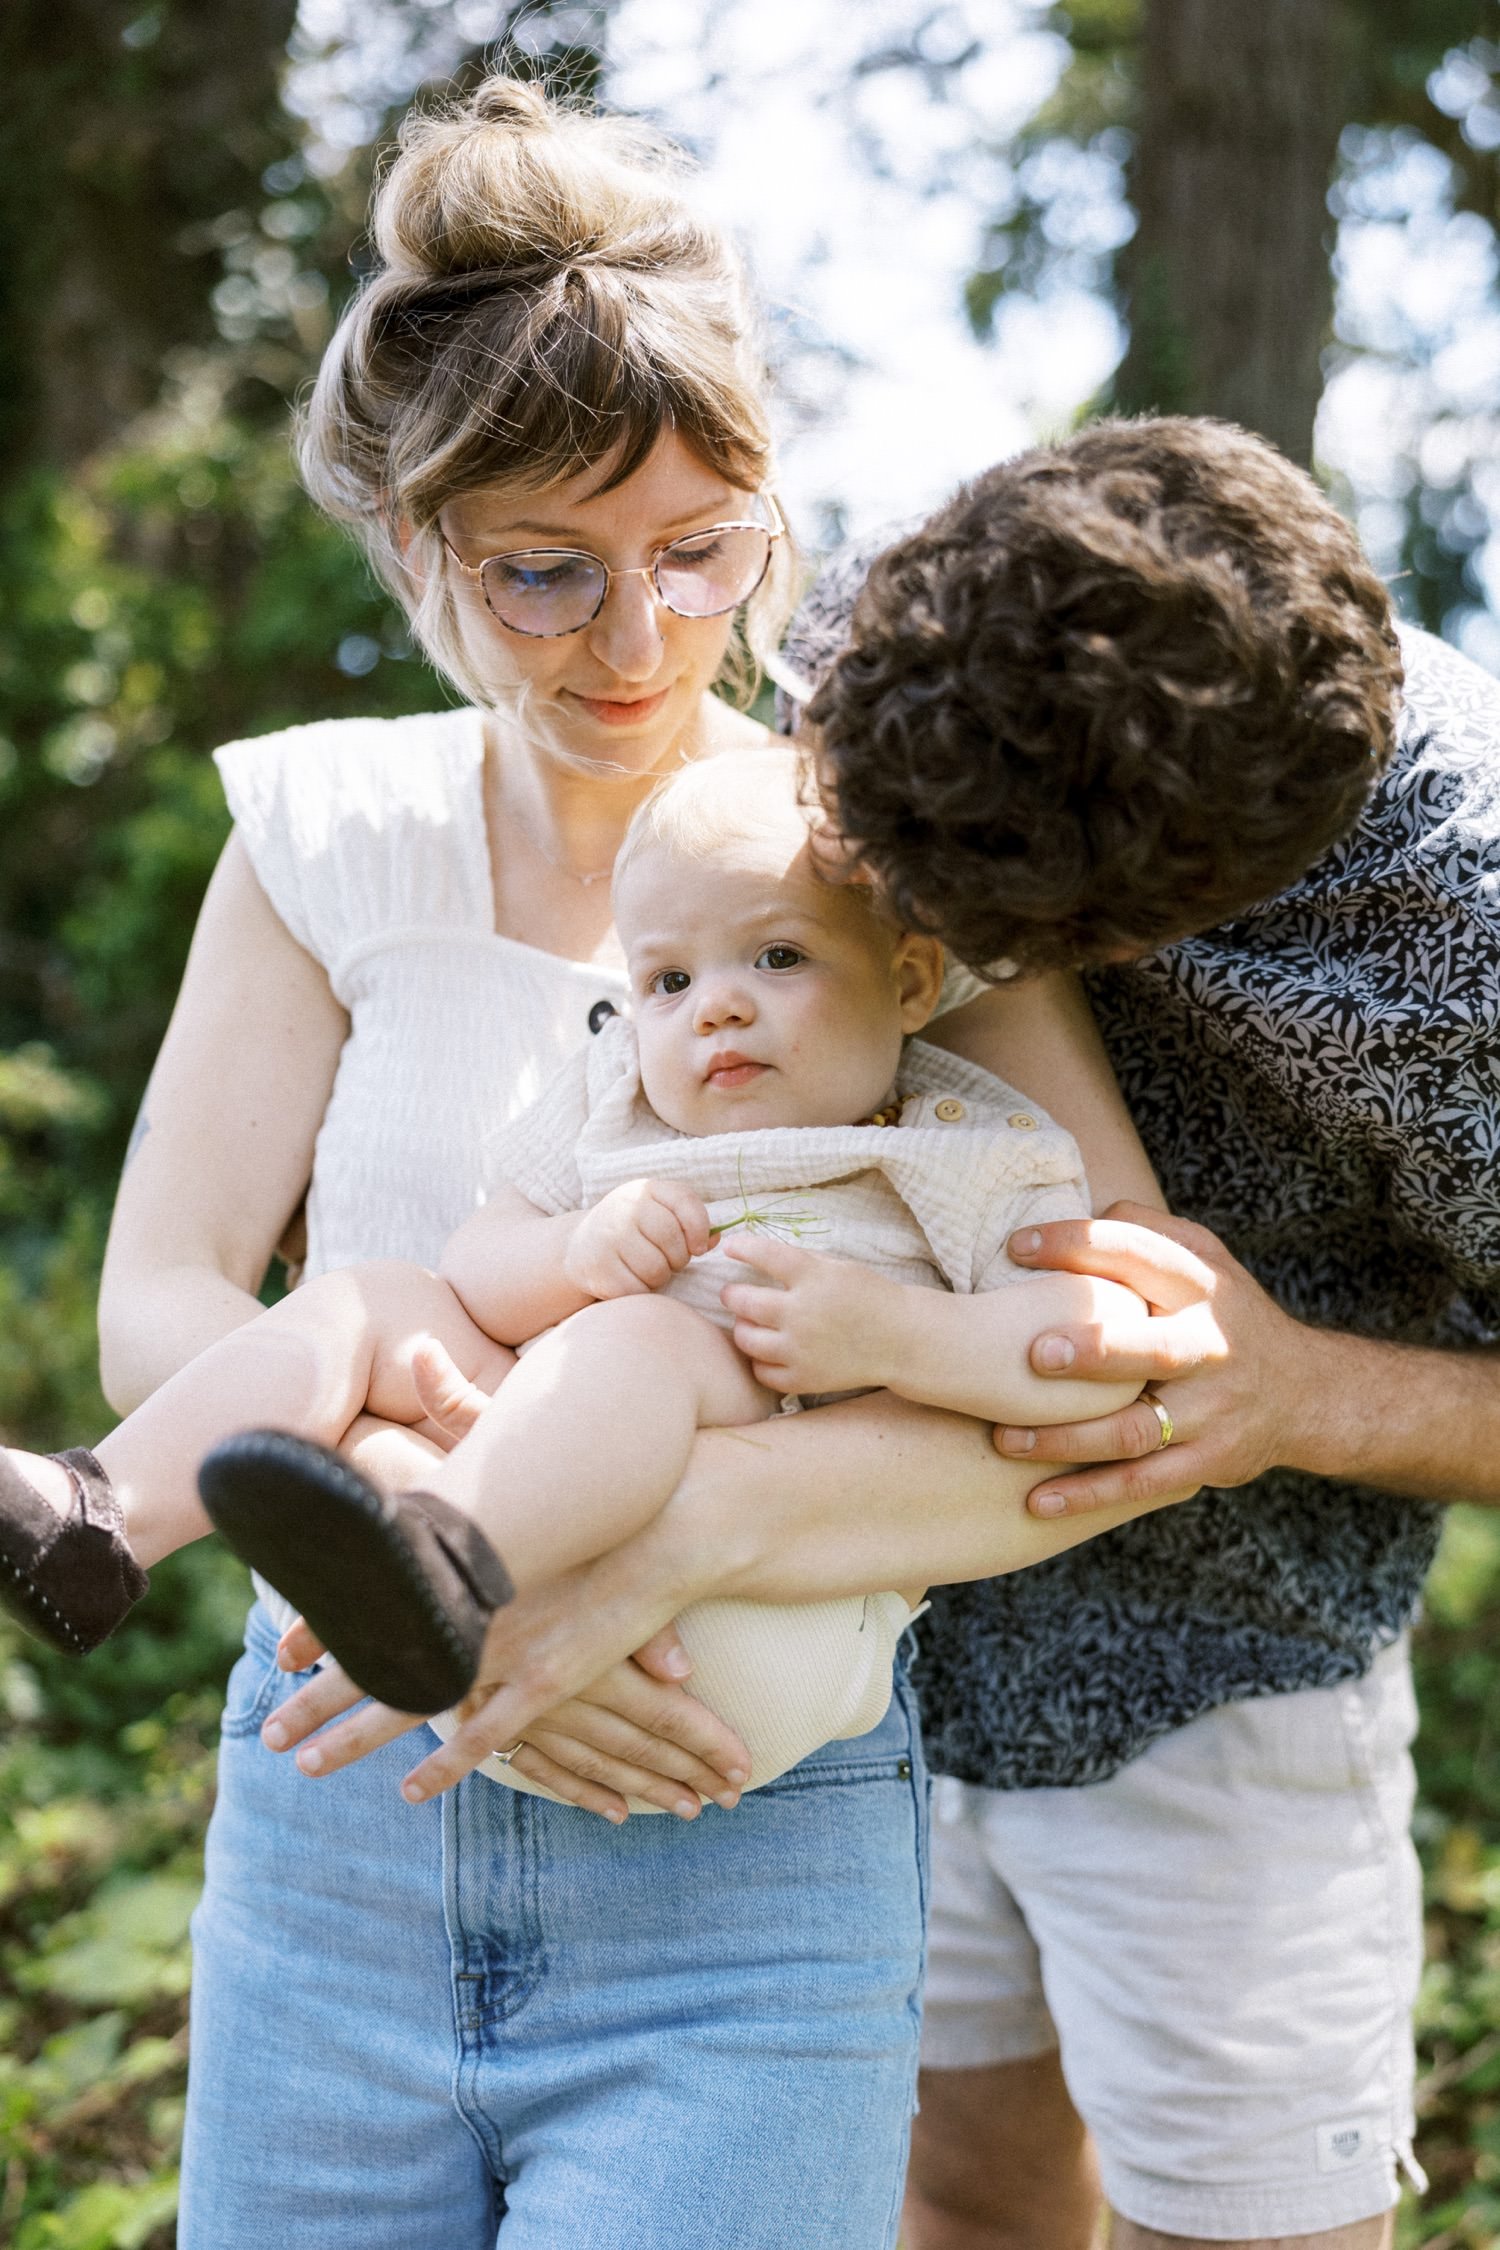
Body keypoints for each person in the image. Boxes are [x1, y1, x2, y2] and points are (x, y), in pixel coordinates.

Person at [71, 74, 1164, 2249]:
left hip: (740, 1857)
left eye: (699, 557)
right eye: (544, 575)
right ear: (411, 541)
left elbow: (1128, 1367)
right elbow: (168, 1299)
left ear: (773, 511)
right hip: (340, 1822)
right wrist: (432, 1573)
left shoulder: (881, 861)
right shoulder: (326, 833)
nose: (640, 643)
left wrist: (634, 1565)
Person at [778, 412, 1500, 2249]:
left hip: (1218, 1679)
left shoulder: (1467, 949)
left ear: (1164, 923)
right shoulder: (924, 631)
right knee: (961, 2194)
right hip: (881, 1636)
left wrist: (1298, 1392)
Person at [0, 747, 1138, 1786]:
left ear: (909, 984)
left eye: (778, 955)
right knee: (376, 1297)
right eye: (667, 981)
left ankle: (442, 1562)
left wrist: (898, 1337)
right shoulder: (618, 1101)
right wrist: (574, 1251)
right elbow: (478, 1270)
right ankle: (98, 1523)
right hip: (539, 1506)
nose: (717, 1006)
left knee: (643, 1339)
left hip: (761, 1613)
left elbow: (1086, 1369)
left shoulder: (962, 1147)